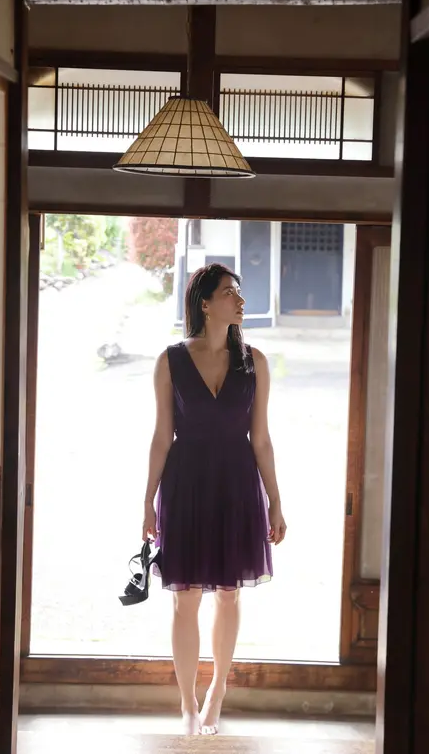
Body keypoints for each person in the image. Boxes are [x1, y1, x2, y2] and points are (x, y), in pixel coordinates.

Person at [142, 263, 287, 736]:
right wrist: (147, 501)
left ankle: (218, 689)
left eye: (239, 292)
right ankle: (186, 701)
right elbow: (161, 437)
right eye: (230, 293)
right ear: (205, 304)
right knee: (185, 598)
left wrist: (275, 501)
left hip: (237, 484)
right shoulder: (170, 360)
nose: (240, 300)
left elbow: (261, 439)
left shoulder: (254, 362)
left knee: (229, 593)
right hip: (185, 485)